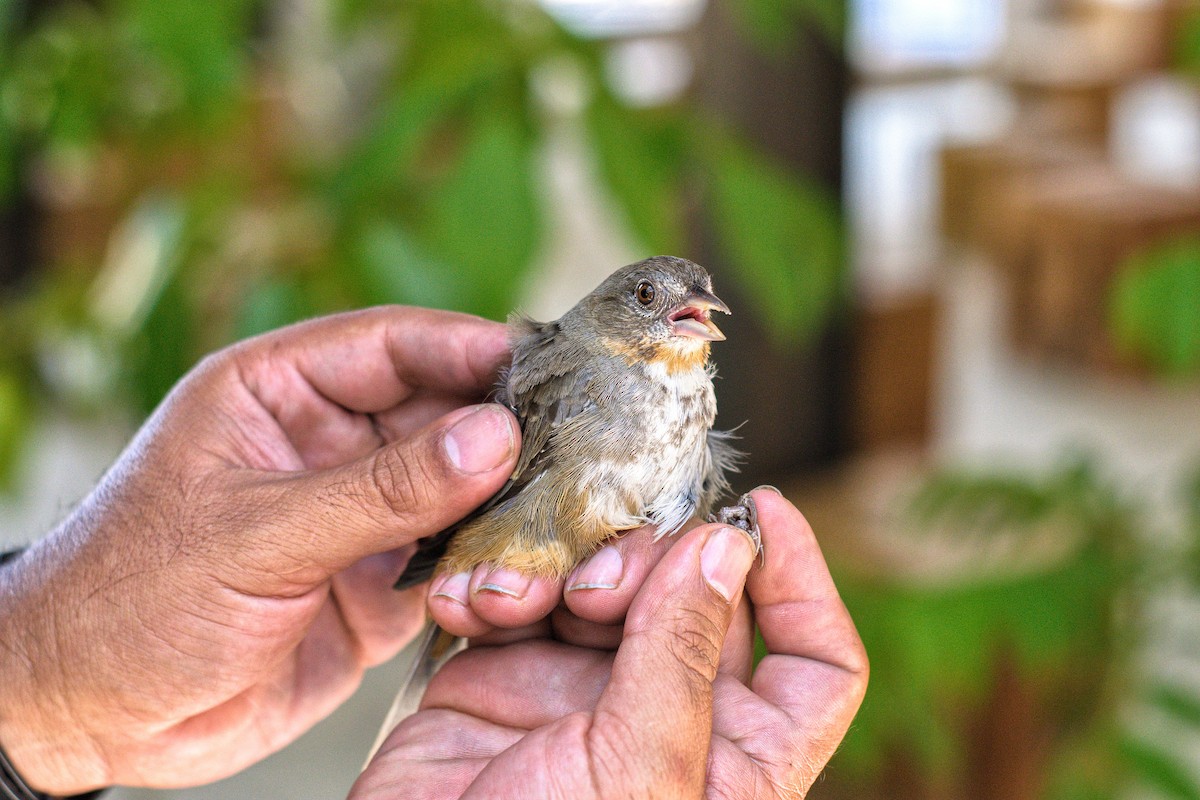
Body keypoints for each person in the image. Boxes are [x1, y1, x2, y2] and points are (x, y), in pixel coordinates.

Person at [0, 306, 868, 799]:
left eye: (698, 303)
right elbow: (507, 496)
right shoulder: (580, 372)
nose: (693, 313)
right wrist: (42, 675)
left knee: (648, 570)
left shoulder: (689, 393)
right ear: (617, 313)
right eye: (655, 300)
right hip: (510, 544)